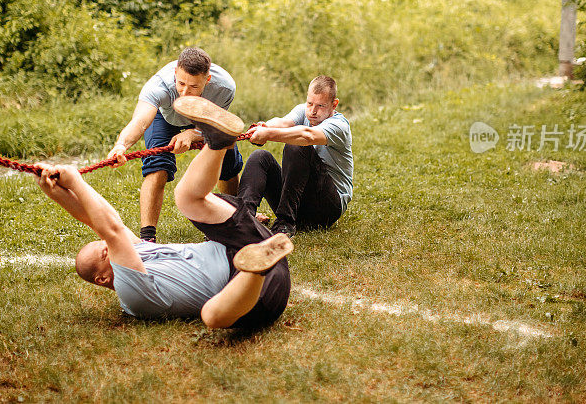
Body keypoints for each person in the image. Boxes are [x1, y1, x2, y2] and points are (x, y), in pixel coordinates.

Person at [36, 96, 292, 329]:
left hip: (241, 243)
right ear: (103, 279)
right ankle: (255, 269)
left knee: (185, 198)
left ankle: (217, 142)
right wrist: (76, 181)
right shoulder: (131, 291)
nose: (109, 244)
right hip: (250, 292)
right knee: (213, 316)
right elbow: (110, 229)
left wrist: (55, 192)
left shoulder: (138, 254)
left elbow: (95, 220)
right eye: (104, 251)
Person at [107, 47, 243, 243]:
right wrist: (121, 145)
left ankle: (233, 220)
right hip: (165, 118)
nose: (185, 92)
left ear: (208, 80)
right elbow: (141, 121)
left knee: (226, 161)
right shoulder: (158, 87)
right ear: (175, 74)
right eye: (181, 83)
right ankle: (147, 238)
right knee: (157, 168)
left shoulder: (225, 87)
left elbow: (218, 124)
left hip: (205, 116)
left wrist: (194, 133)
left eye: (194, 87)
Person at [241, 75, 353, 237]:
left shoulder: (339, 126)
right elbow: (282, 122)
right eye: (310, 103)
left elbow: (307, 136)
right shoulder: (304, 111)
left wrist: (268, 134)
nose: (313, 111)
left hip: (326, 208)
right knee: (260, 157)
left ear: (334, 104)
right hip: (299, 203)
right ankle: (242, 220)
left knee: (298, 145)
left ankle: (284, 222)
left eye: (321, 106)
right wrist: (263, 126)